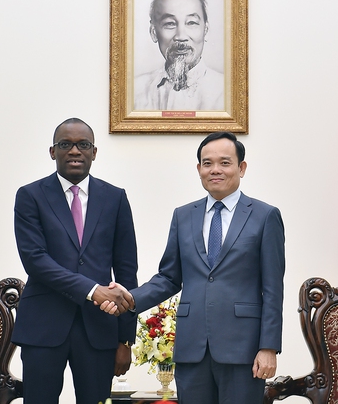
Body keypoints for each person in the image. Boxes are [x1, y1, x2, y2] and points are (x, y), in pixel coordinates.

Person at [101, 132, 285, 404]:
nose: (215, 170)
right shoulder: (183, 215)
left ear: (241, 168)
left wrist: (268, 347)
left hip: (243, 349)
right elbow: (168, 278)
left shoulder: (265, 215)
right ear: (199, 169)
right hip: (192, 348)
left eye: (225, 163)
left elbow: (272, 289)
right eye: (207, 163)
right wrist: (129, 298)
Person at [12, 117, 139, 404]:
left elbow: (126, 271)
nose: (74, 151)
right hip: (43, 327)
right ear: (52, 151)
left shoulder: (115, 198)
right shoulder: (30, 196)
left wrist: (125, 339)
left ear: (94, 152)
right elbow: (36, 261)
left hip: (99, 329)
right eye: (65, 144)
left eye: (83, 144)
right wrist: (92, 290)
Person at [134, 0, 225, 111]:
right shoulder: (135, 91)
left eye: (191, 23)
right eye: (170, 24)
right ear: (153, 32)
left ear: (206, 30)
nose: (181, 36)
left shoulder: (226, 92)